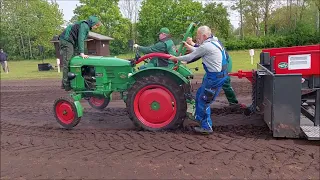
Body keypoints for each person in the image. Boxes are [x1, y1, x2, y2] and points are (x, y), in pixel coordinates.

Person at [169, 26, 228, 134]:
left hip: (214, 78)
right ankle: (199, 117)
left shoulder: (207, 46)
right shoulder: (213, 42)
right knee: (200, 94)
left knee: (204, 100)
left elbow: (191, 56)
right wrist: (188, 45)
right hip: (213, 75)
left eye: (198, 36)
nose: (197, 38)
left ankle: (206, 127)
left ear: (204, 36)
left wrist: (176, 58)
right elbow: (198, 50)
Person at [185, 37, 242, 107]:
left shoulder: (212, 41)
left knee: (225, 81)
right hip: (215, 64)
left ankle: (234, 103)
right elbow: (200, 50)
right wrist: (192, 44)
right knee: (206, 78)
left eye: (199, 37)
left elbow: (199, 53)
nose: (198, 39)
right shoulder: (206, 41)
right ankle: (203, 100)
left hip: (225, 62)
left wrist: (186, 61)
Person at [58, 15, 101, 91]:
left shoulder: (86, 27)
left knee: (73, 61)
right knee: (68, 62)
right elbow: (80, 39)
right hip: (66, 41)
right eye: (96, 26)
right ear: (93, 23)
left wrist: (79, 51)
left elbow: (80, 41)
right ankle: (66, 85)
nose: (96, 28)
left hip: (71, 42)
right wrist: (82, 53)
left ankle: (68, 83)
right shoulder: (84, 26)